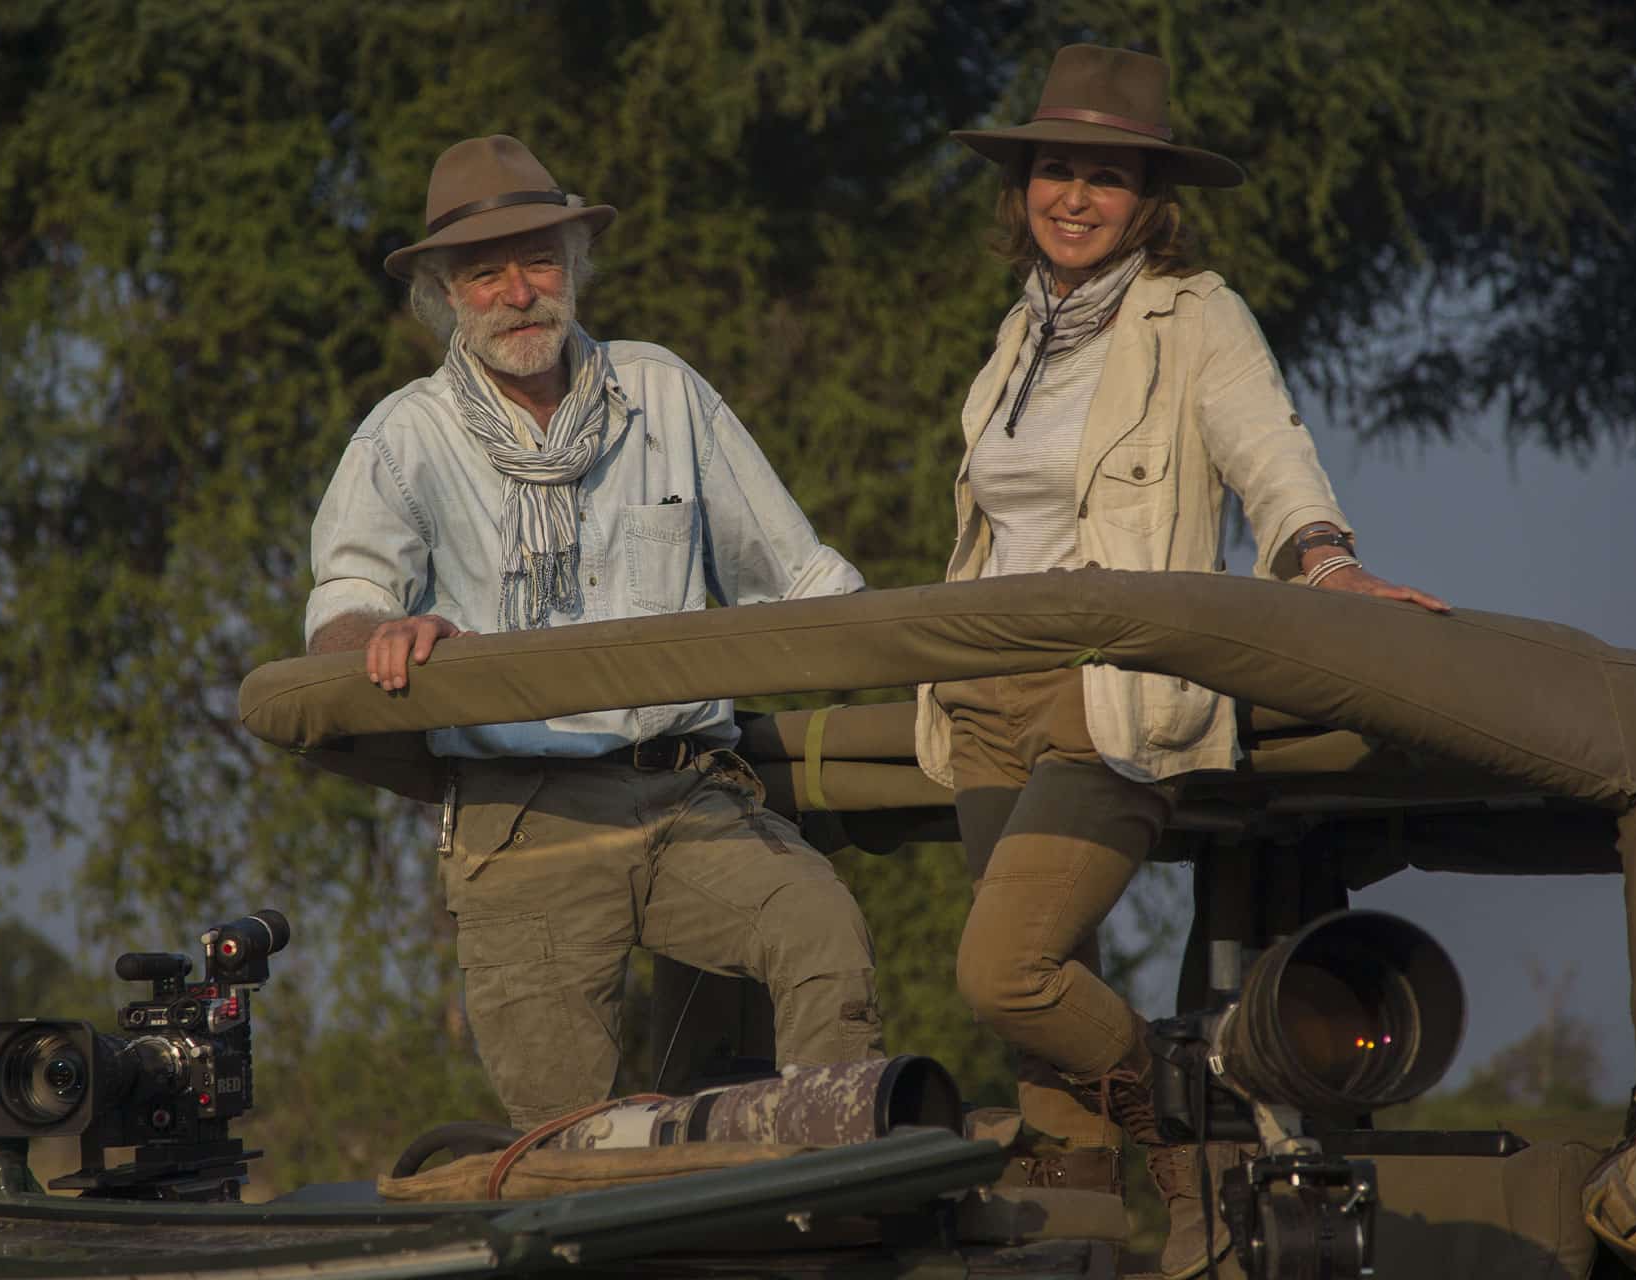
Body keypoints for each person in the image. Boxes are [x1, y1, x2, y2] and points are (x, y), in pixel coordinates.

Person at [916, 45, 1450, 1278]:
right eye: (1058, 169)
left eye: (1107, 177)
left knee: (1009, 969)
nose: (1075, 197)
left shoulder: (1194, 313)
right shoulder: (1020, 334)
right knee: (1047, 1039)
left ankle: (1200, 1118)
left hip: (1110, 691)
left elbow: (1270, 448)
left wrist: (1324, 558)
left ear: (1149, 199)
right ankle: (1077, 1241)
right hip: (985, 693)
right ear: (1024, 185)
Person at [306, 135, 884, 1130]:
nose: (520, 290)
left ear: (576, 265)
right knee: (573, 1134)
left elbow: (800, 576)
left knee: (821, 928)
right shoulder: (404, 436)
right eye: (487, 270)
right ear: (447, 293)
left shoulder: (661, 391)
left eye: (539, 258)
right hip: (521, 818)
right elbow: (340, 605)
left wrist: (933, 675)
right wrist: (383, 630)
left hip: (689, 788)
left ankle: (836, 1188)